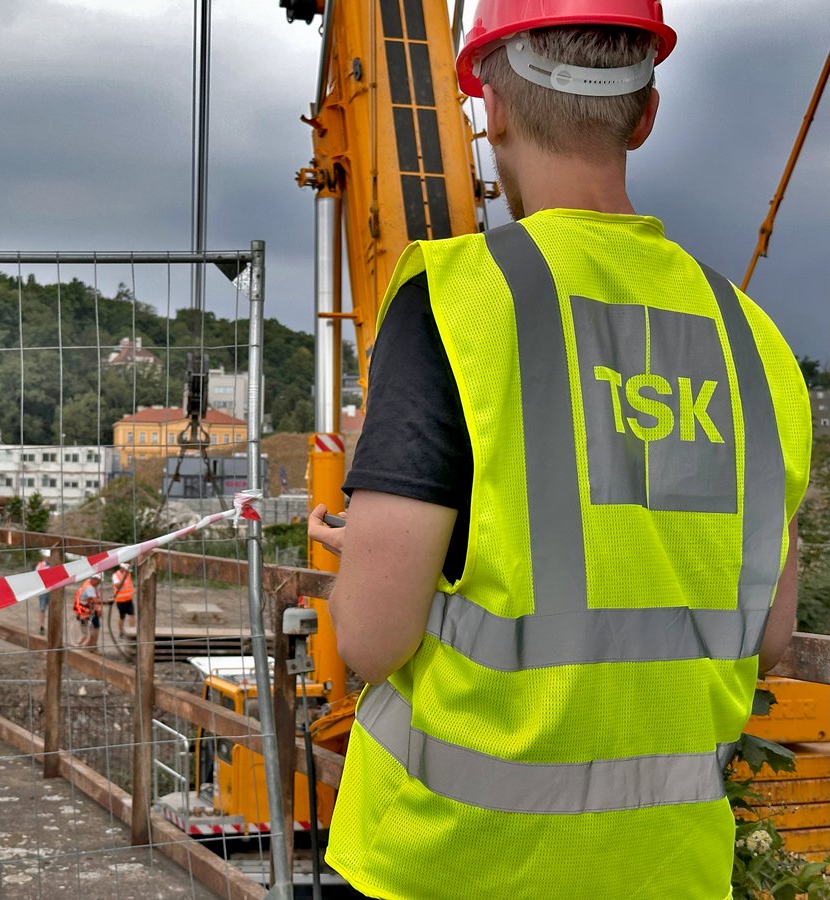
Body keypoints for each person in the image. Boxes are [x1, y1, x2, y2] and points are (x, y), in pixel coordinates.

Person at [307, 2, 812, 897]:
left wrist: (378, 558)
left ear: (491, 110)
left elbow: (372, 638)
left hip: (449, 864)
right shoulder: (756, 345)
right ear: (645, 116)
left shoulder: (459, 303)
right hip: (669, 871)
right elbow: (768, 635)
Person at [72, 574, 102, 649]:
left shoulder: (89, 584)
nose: (99, 583)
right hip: (85, 613)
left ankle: (90, 647)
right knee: (87, 634)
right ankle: (85, 648)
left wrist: (98, 608)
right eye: (98, 581)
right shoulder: (89, 588)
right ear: (95, 579)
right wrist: (107, 602)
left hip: (86, 612)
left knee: (89, 632)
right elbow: (94, 600)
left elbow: (93, 600)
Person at [111, 563, 136, 639]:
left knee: (132, 614)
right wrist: (124, 577)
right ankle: (121, 632)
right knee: (122, 617)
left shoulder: (128, 574)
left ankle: (132, 631)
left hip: (128, 598)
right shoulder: (115, 575)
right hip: (120, 600)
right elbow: (118, 586)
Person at [35, 549, 51, 635]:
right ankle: (42, 626)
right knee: (42, 609)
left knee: (52, 609)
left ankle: (51, 627)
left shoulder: (56, 565)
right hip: (43, 591)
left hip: (53, 591)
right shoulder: (40, 566)